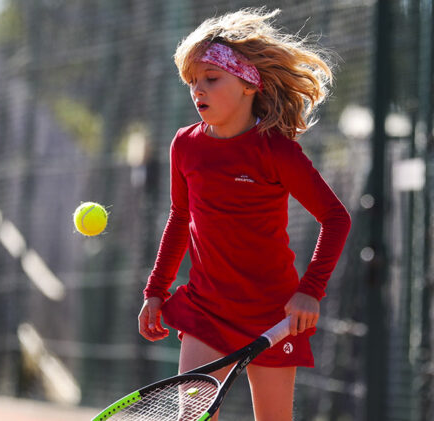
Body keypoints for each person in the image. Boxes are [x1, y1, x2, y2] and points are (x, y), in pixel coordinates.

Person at [137, 8, 351, 421]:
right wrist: (155, 291)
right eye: (192, 82)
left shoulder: (277, 151)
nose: (198, 90)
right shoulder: (184, 146)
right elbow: (180, 219)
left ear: (249, 83)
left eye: (211, 79)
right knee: (191, 417)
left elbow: (336, 218)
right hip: (205, 311)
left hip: (272, 319)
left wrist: (311, 289)